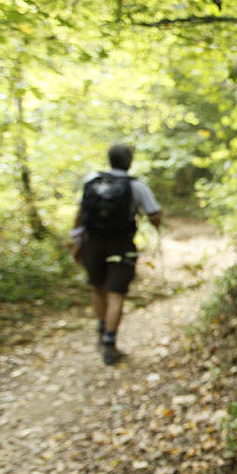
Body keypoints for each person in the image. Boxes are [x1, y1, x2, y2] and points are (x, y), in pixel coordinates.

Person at [71, 143, 162, 365]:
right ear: (129, 162)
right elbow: (154, 216)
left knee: (97, 286)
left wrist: (76, 243)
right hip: (121, 245)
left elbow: (80, 214)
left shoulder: (92, 180)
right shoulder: (137, 186)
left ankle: (102, 329)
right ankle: (110, 343)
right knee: (116, 293)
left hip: (91, 243)